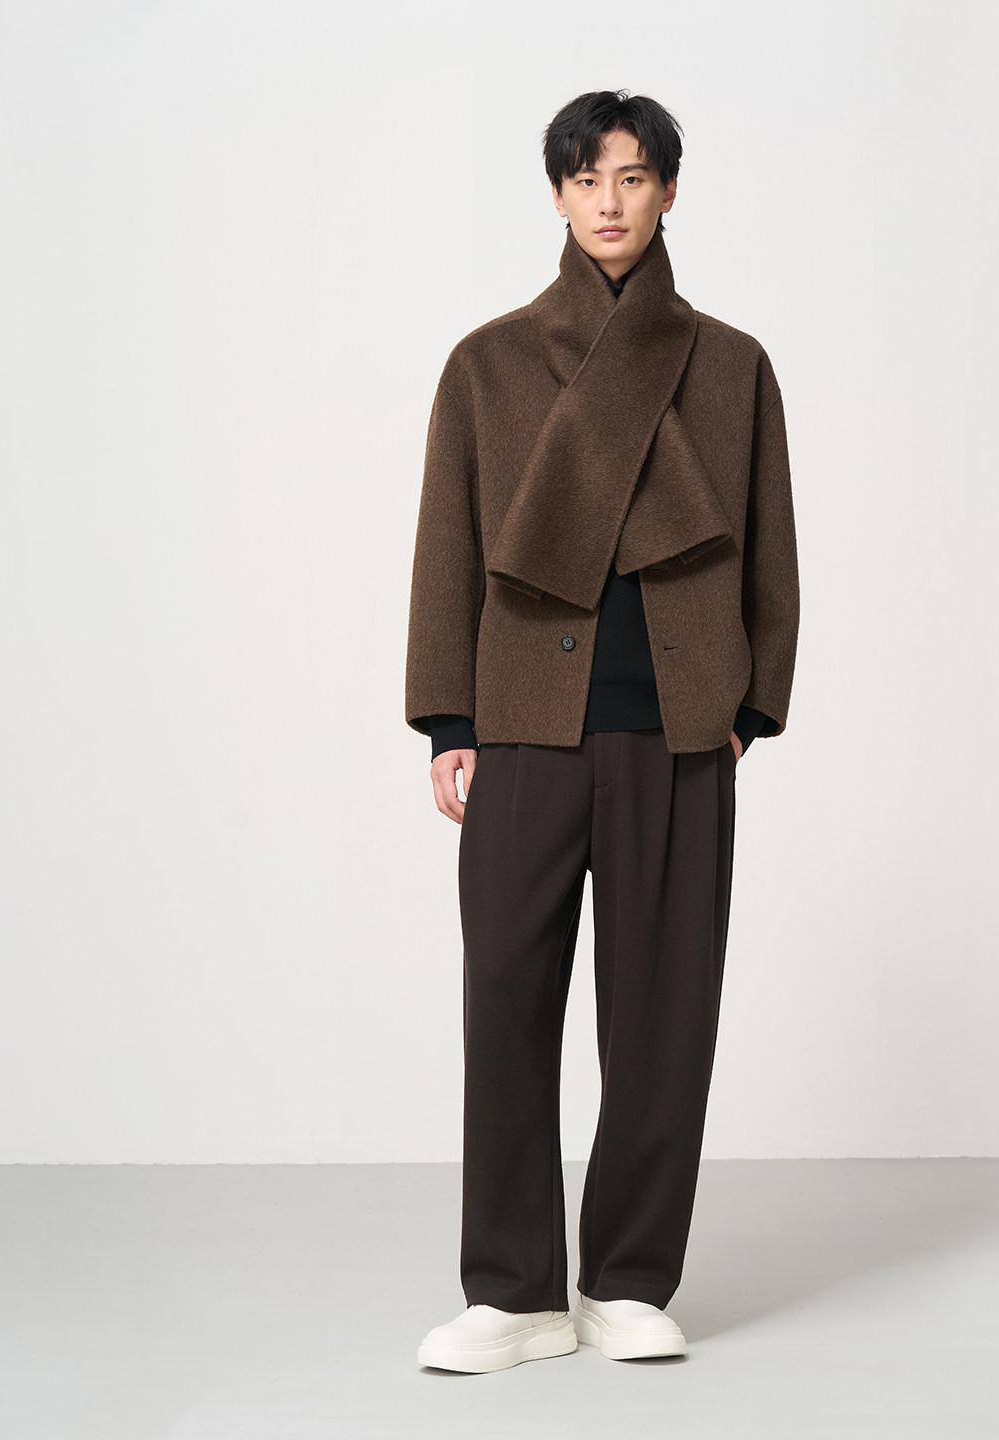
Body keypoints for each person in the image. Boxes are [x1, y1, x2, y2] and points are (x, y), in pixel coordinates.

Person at [406, 88, 800, 1373]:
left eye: (635, 177)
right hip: (524, 721)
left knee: (663, 1016)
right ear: (559, 195)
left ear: (670, 192)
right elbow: (449, 545)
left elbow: (770, 543)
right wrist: (449, 719)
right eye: (588, 179)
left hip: (679, 731)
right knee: (506, 1001)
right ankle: (514, 1293)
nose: (612, 201)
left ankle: (628, 1279)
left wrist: (748, 706)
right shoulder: (489, 364)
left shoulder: (731, 366)